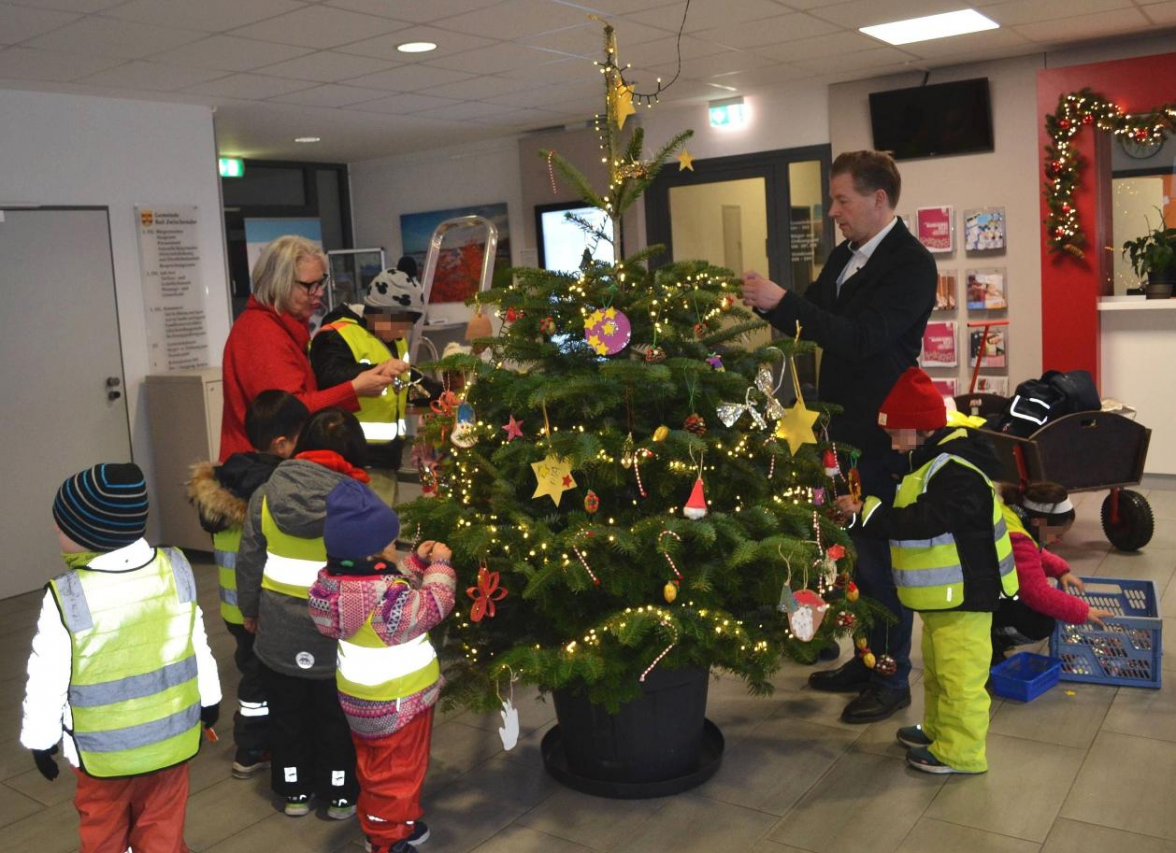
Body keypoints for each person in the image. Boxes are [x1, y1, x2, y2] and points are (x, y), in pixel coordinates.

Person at [741, 150, 937, 723]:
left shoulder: (910, 264)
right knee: (849, 554)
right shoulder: (847, 256)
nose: (832, 211)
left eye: (842, 200)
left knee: (878, 555)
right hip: (840, 429)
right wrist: (771, 303)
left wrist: (785, 301)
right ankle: (866, 656)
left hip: (881, 435)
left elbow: (859, 338)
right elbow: (816, 314)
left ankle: (892, 678)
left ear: (879, 200)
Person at [21, 463, 221, 853]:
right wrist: (209, 700)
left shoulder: (68, 596)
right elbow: (195, 640)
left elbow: (46, 676)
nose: (55, 532)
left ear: (88, 534)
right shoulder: (176, 568)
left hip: (103, 755)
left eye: (61, 526)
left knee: (103, 828)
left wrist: (40, 739)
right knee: (163, 825)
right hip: (170, 742)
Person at [836, 368, 1018, 774]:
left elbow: (923, 520)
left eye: (895, 434)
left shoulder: (957, 469)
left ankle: (961, 752)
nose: (893, 445)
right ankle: (939, 732)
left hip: (968, 594)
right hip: (945, 597)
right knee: (938, 672)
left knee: (961, 679)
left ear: (920, 429)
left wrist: (867, 513)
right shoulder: (931, 460)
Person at [309, 480, 457, 853]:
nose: (395, 549)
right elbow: (435, 603)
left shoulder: (332, 591)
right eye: (391, 545)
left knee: (377, 768)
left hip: (361, 701)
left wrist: (416, 564)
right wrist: (439, 566)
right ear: (373, 553)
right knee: (398, 775)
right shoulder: (392, 602)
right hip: (401, 703)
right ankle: (387, 840)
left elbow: (387, 588)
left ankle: (398, 823)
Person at [235, 408, 369, 818]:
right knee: (335, 719)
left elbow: (249, 560)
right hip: (337, 635)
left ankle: (293, 791)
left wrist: (250, 610)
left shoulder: (265, 495)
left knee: (288, 718)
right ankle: (341, 794)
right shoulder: (361, 500)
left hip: (278, 631)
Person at [187, 389, 310, 778]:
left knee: (253, 672)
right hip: (265, 608)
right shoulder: (276, 489)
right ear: (282, 443)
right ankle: (253, 747)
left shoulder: (226, 480)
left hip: (232, 609)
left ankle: (260, 740)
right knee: (265, 680)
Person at [219, 234, 406, 460]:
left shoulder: (284, 327)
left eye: (321, 282)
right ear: (279, 283)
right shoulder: (261, 333)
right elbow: (287, 415)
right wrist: (355, 388)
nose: (318, 292)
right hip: (259, 471)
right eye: (309, 285)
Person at [310, 269, 441, 506]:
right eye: (401, 322)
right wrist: (376, 371)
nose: (403, 332)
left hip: (386, 459)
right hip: (351, 461)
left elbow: (408, 380)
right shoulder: (336, 336)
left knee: (385, 531)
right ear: (381, 312)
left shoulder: (394, 340)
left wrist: (443, 393)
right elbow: (329, 380)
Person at [991, 481, 1112, 663]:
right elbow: (1036, 593)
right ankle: (991, 641)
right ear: (1038, 522)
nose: (1060, 540)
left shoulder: (1012, 516)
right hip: (981, 600)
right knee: (1040, 624)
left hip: (981, 588)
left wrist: (1060, 570)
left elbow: (1034, 552)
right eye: (1057, 534)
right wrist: (1081, 610)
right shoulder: (1016, 538)